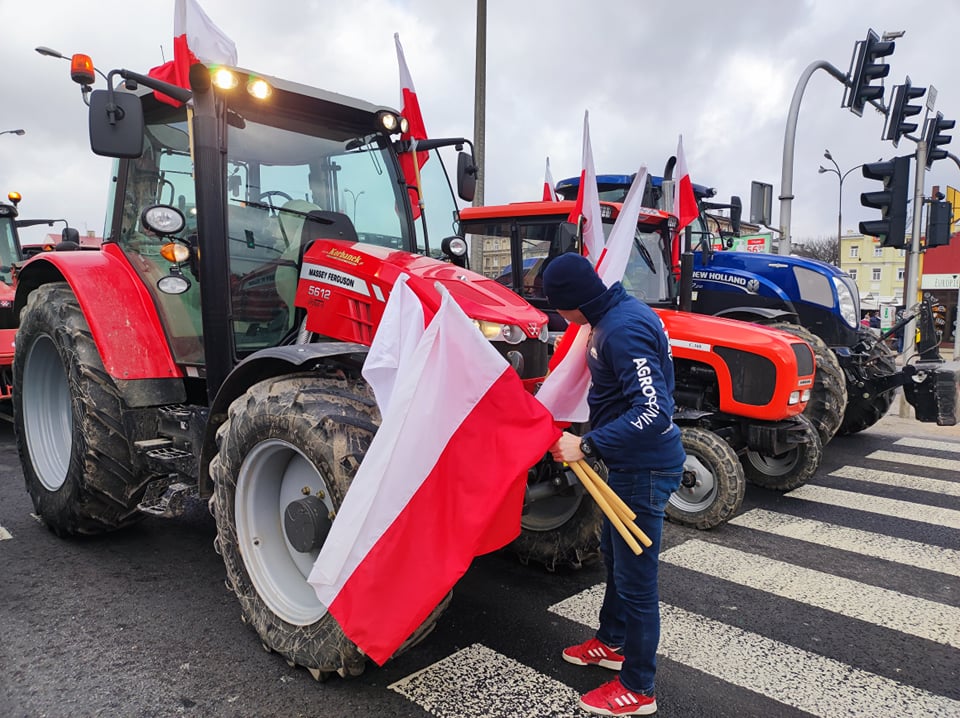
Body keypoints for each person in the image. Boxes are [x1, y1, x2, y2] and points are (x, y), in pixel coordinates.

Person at [542, 252, 686, 716]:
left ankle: (639, 688)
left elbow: (654, 412)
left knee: (637, 579)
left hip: (645, 469)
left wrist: (586, 446)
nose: (561, 318)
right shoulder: (614, 317)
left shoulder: (621, 330)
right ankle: (613, 641)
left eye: (560, 309)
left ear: (572, 304)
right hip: (628, 465)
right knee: (614, 555)